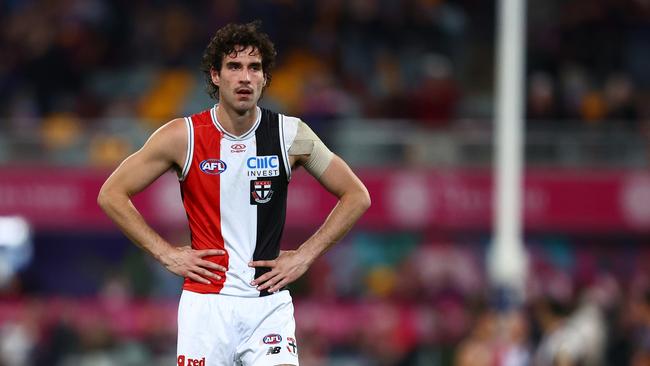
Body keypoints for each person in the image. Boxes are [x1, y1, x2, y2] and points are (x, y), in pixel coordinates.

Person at [97, 21, 370, 366]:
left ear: (265, 78)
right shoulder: (183, 136)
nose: (245, 77)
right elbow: (111, 194)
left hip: (267, 304)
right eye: (234, 67)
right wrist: (165, 254)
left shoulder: (292, 135)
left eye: (254, 68)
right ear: (215, 75)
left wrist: (305, 254)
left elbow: (356, 195)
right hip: (206, 306)